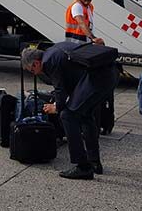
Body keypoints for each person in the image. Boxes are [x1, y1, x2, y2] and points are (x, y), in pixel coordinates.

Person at [21, 44, 119, 180]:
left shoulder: (49, 62)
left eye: (31, 70)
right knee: (85, 115)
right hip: (109, 75)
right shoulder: (54, 50)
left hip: (96, 80)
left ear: (36, 63)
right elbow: (70, 82)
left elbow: (61, 90)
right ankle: (94, 162)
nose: (34, 74)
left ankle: (83, 166)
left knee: (67, 115)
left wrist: (56, 107)